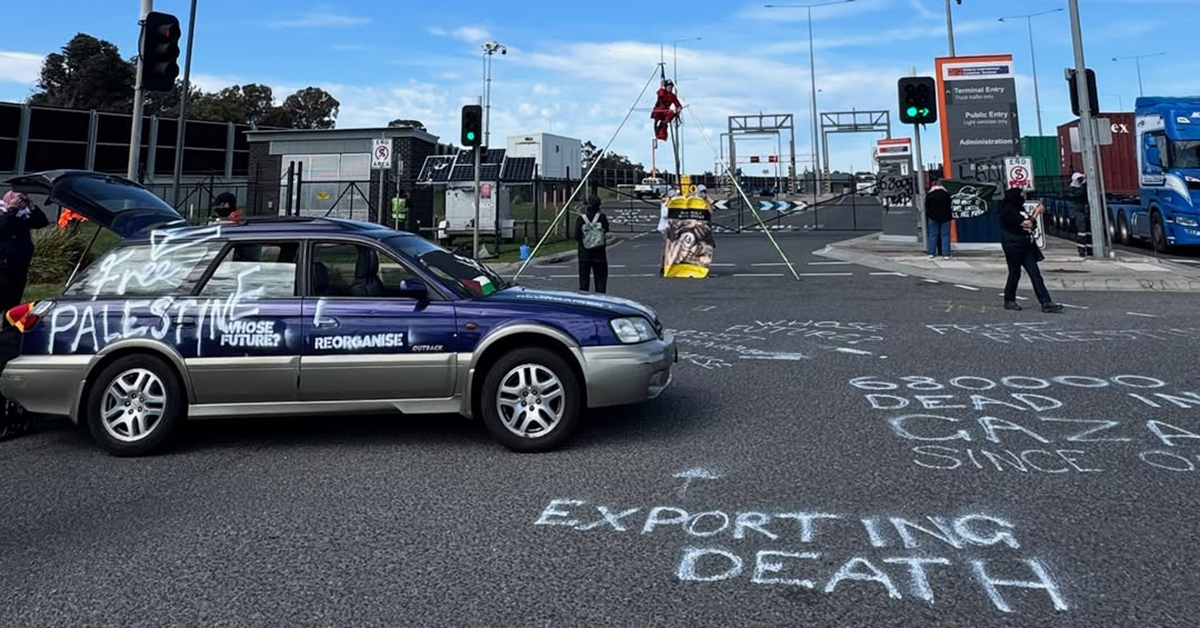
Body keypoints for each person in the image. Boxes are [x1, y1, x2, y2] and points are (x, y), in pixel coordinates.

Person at [999, 187, 1063, 313]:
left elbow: (1031, 224)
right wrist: (1036, 213)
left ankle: (1046, 302)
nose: (1023, 198)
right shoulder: (1008, 210)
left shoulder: (1020, 210)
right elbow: (1026, 223)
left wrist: (1033, 217)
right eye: (1021, 196)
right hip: (1013, 245)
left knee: (1035, 273)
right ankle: (1009, 299)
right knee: (1015, 273)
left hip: (1026, 244)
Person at [0, 191, 50, 312]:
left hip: (19, 265)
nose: (20, 202)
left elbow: (42, 222)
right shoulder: (3, 212)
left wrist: (32, 206)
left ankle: (10, 330)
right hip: (2, 266)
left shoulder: (23, 215)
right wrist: (12, 209)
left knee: (13, 304)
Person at [574, 194, 610, 293]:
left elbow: (577, 236)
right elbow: (606, 229)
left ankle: (585, 300)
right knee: (600, 280)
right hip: (599, 254)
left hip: (584, 254)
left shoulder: (581, 219)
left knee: (584, 280)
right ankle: (601, 298)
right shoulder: (602, 217)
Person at [924, 178, 953, 259]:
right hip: (945, 217)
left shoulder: (930, 195)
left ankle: (931, 253)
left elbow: (927, 207)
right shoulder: (946, 195)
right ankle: (946, 254)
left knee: (932, 235)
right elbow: (949, 205)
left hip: (933, 217)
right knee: (945, 235)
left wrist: (930, 215)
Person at [1068, 172, 1092, 257]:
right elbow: (1080, 194)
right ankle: (1081, 249)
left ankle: (1090, 249)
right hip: (1079, 212)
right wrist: (1084, 184)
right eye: (1079, 179)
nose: (1081, 180)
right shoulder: (1073, 188)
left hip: (1086, 210)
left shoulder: (1083, 187)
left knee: (1089, 231)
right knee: (1082, 231)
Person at [657, 189, 673, 275]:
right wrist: (668, 203)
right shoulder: (665, 205)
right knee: (666, 248)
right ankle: (663, 267)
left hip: (673, 228)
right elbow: (665, 214)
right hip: (666, 228)